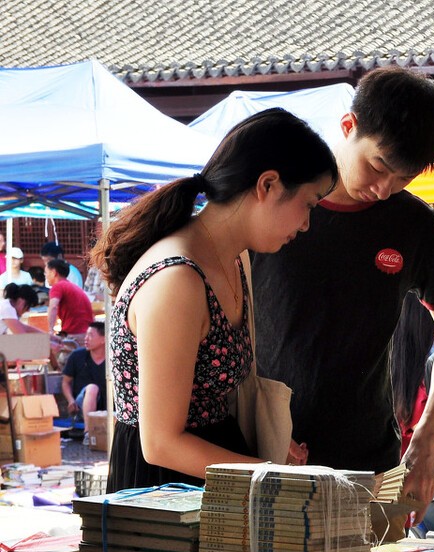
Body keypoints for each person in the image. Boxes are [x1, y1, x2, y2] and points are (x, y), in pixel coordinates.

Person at [250, 66, 434, 523]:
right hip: (261, 452)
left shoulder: (413, 225)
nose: (383, 189)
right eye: (378, 166)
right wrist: (258, 418)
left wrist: (427, 440)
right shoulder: (274, 204)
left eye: (402, 179)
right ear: (348, 127)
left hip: (369, 460)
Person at [90, 108, 337, 492]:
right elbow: (160, 444)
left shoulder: (235, 258)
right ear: (268, 185)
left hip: (217, 470)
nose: (306, 224)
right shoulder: (177, 280)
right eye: (309, 203)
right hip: (163, 492)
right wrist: (271, 474)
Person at [61, 321, 107, 420]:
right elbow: (65, 382)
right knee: (92, 388)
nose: (86, 338)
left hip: (106, 405)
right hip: (81, 406)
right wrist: (70, 400)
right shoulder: (77, 356)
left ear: (103, 339)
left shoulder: (113, 359)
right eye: (86, 334)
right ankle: (88, 432)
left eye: (90, 335)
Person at [45, 259, 95, 337]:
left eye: (46, 272)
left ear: (54, 272)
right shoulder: (73, 286)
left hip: (74, 334)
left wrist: (50, 331)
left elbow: (53, 307)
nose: (45, 275)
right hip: (87, 333)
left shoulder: (58, 286)